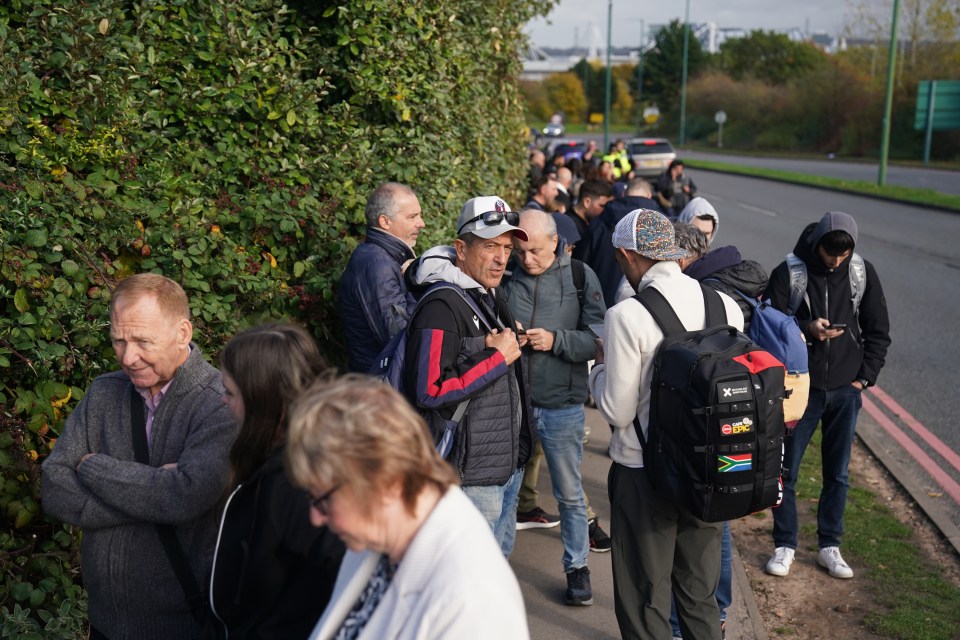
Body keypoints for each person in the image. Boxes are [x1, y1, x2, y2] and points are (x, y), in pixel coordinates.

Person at [41, 273, 236, 639]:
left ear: (183, 333)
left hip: (183, 625)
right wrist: (152, 494)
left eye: (143, 341)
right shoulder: (103, 393)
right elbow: (54, 485)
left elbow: (185, 497)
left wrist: (92, 467)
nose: (128, 357)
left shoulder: (220, 403)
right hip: (104, 622)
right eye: (118, 341)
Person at [589, 209, 743, 640]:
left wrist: (597, 369)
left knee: (644, 595)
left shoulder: (626, 315)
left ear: (626, 255)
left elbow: (617, 412)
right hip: (709, 469)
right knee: (698, 592)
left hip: (644, 473)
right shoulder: (725, 305)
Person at [286, 375, 530, 640]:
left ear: (385, 481)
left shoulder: (472, 603)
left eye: (322, 500)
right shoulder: (380, 533)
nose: (315, 517)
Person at [403, 196, 535, 557]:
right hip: (470, 480)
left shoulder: (486, 294)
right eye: (491, 245)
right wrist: (495, 357)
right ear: (461, 249)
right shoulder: (442, 305)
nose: (501, 257)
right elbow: (428, 390)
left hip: (504, 469)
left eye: (507, 247)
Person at [763, 211, 890, 580]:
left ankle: (829, 546)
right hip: (801, 390)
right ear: (816, 242)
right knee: (785, 471)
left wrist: (863, 379)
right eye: (829, 253)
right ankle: (784, 545)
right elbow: (768, 325)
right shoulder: (790, 272)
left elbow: (879, 330)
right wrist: (807, 328)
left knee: (838, 474)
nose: (835, 261)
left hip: (846, 391)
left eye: (843, 254)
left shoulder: (862, 273)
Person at [209, 323, 345, 638]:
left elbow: (344, 574)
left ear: (267, 402)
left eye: (231, 392)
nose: (223, 401)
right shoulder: (307, 459)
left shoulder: (293, 483)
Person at [502, 210, 610, 606]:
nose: (526, 260)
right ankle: (493, 572)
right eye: (520, 252)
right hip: (513, 402)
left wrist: (555, 340)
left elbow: (598, 341)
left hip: (562, 404)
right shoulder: (507, 275)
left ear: (556, 242)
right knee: (505, 492)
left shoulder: (581, 276)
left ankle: (577, 568)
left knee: (569, 492)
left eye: (534, 252)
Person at [670, 221, 769, 640]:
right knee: (721, 517)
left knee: (708, 521)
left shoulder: (707, 289)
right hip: (743, 413)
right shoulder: (737, 274)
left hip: (713, 419)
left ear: (683, 257)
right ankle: (721, 610)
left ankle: (698, 618)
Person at [339, 182, 425, 373]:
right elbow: (399, 337)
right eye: (412, 217)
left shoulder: (382, 258)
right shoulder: (378, 265)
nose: (421, 223)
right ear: (385, 221)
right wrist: (414, 284)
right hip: (379, 388)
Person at [580, 178, 662, 307]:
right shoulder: (662, 226)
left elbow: (582, 264)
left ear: (624, 194)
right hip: (647, 305)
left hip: (599, 302)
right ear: (649, 196)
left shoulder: (598, 223)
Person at [564, 178, 615, 259]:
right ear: (587, 202)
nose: (606, 209)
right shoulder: (568, 227)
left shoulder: (588, 223)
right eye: (602, 206)